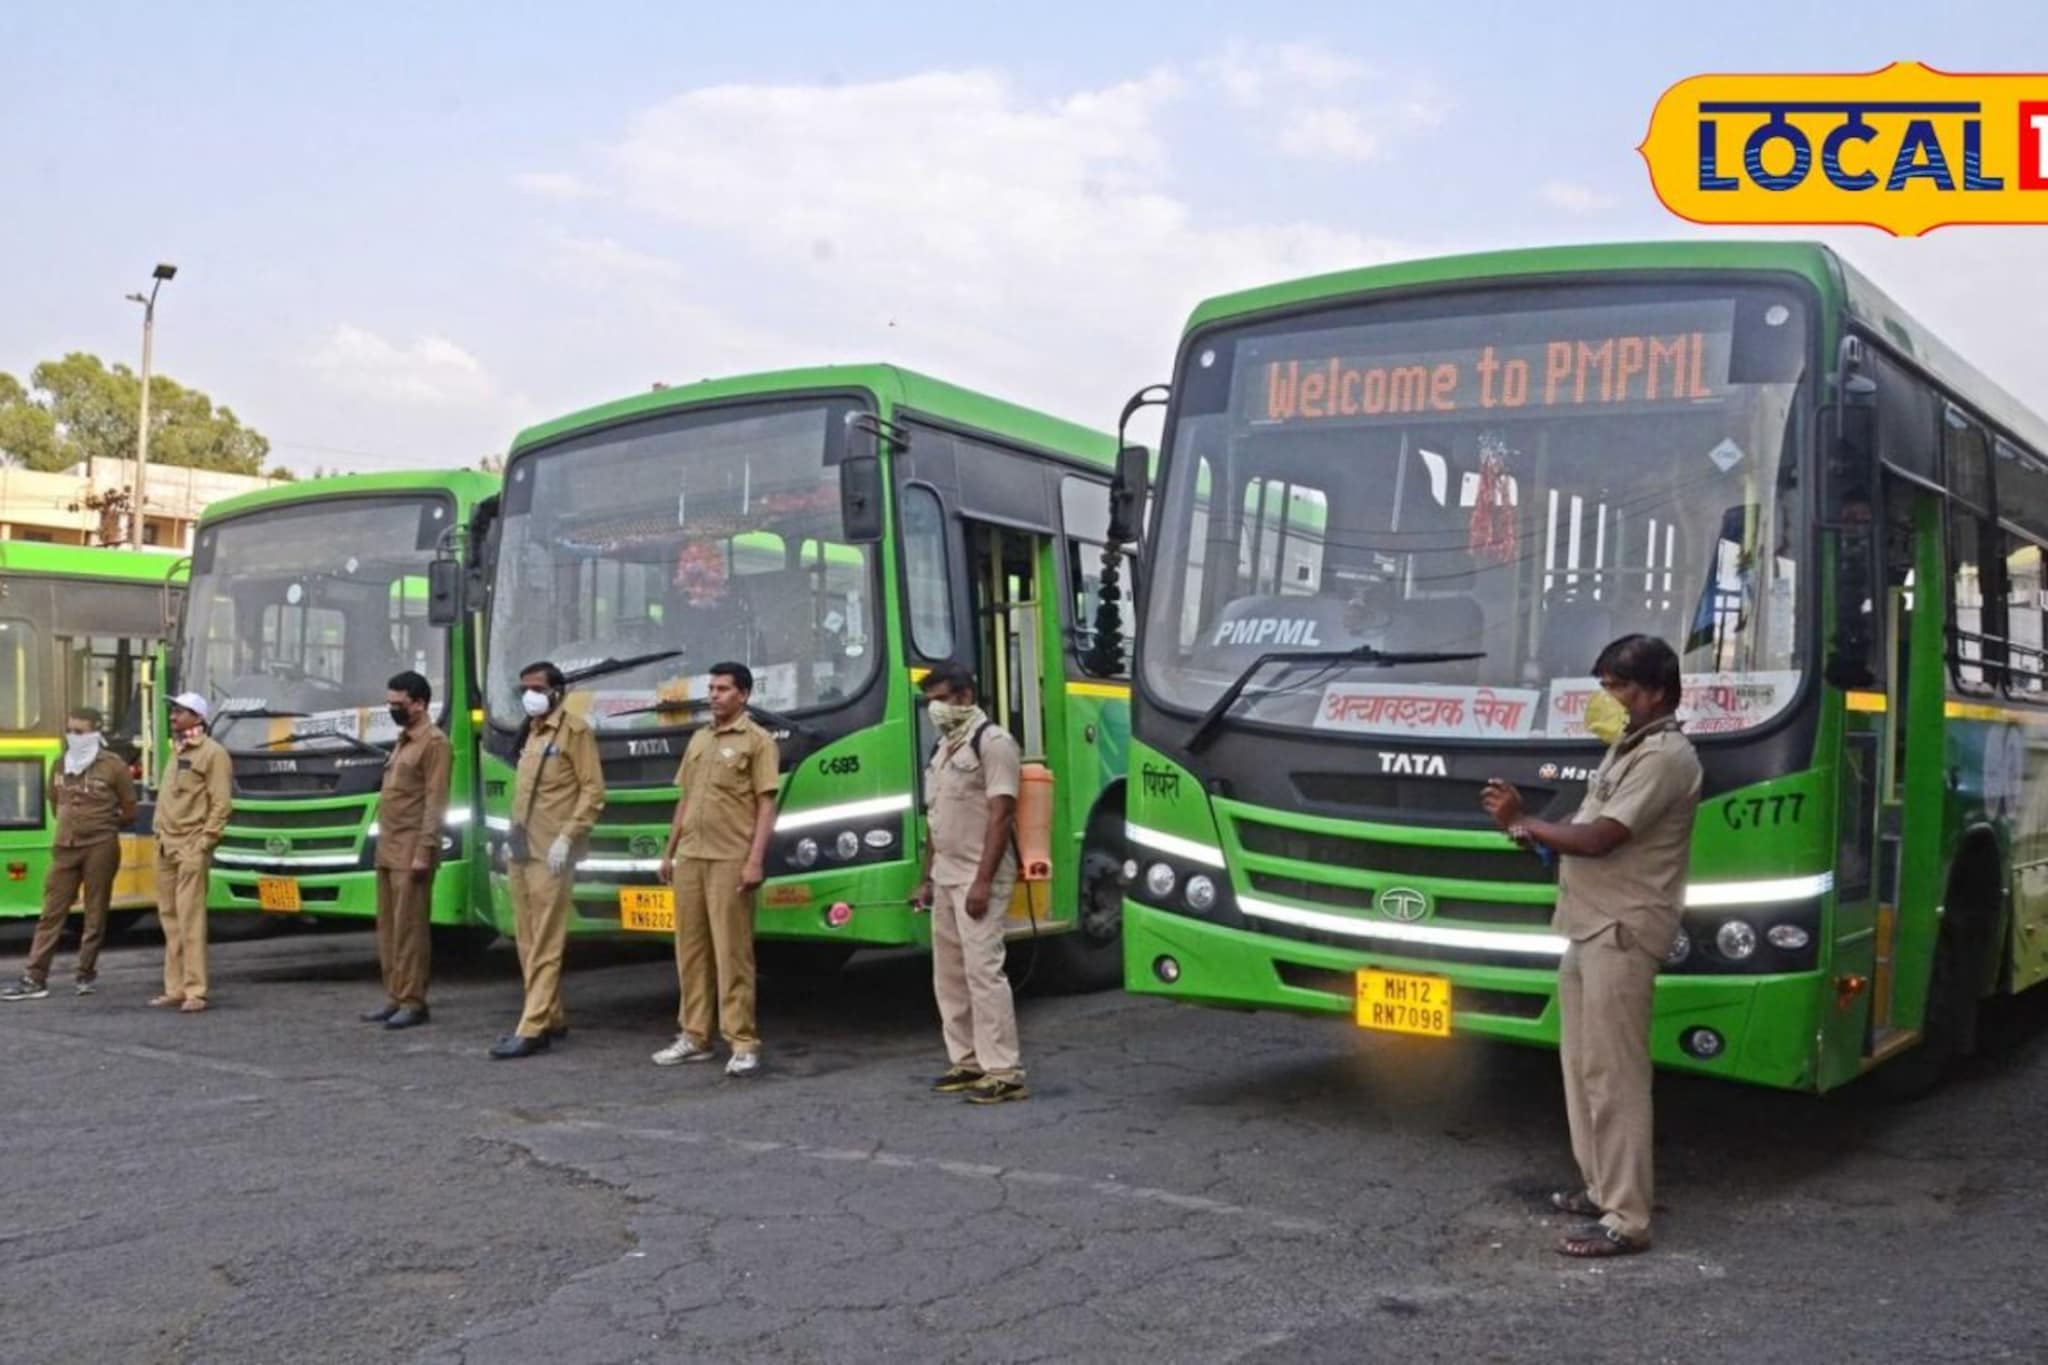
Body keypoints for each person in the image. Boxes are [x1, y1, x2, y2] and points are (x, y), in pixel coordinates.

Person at [1481, 634, 1701, 1258]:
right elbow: (1576, 834)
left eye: (1622, 688)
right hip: (1587, 922)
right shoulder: (1626, 751)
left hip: (1623, 929)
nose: (1611, 699)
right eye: (1606, 687)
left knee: (1616, 1077)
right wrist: (1530, 835)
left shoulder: (1665, 757)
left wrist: (1522, 822)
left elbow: (1601, 837)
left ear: (1656, 691)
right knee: (1582, 1069)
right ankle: (1600, 1186)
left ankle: (1627, 1217)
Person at [652, 661, 778, 1077]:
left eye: (723, 689)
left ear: (743, 695)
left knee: (732, 952)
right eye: (711, 688)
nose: (714, 695)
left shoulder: (757, 741)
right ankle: (695, 1035)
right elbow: (685, 800)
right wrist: (669, 853)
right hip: (691, 856)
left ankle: (742, 1041)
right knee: (690, 951)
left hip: (730, 858)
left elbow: (765, 804)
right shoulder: (700, 739)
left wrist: (755, 860)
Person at [913, 661, 1028, 1105]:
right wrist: (925, 879)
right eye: (930, 702)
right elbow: (935, 820)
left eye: (941, 699)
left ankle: (1005, 1071)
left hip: (978, 876)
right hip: (946, 877)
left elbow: (1001, 816)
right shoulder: (942, 749)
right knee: (950, 976)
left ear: (964, 696)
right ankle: (967, 1061)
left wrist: (982, 882)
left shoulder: (993, 742)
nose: (935, 709)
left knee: (983, 973)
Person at [491, 662, 604, 1059]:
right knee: (524, 939)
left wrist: (567, 837)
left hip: (553, 854)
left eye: (536, 688)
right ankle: (552, 1016)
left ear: (557, 691)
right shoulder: (530, 733)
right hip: (522, 849)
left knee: (545, 941)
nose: (529, 695)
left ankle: (533, 1025)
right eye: (523, 688)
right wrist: (510, 838)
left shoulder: (574, 732)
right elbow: (524, 794)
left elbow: (593, 792)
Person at [1, 707, 138, 1001]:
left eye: (80, 731)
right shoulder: (61, 765)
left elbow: (129, 809)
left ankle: (85, 974)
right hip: (65, 847)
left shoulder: (113, 766)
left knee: (95, 912)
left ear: (95, 731)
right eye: (70, 731)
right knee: (51, 913)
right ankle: (34, 977)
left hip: (100, 845)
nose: (73, 737)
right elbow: (54, 801)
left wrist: (102, 823)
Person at [361, 670, 451, 1030]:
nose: (393, 709)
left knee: (411, 931)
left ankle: (413, 1000)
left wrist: (425, 850)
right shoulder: (404, 740)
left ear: (419, 703)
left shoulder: (434, 743)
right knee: (388, 929)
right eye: (390, 703)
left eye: (398, 704)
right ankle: (395, 995)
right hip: (389, 848)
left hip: (412, 851)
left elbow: (435, 801)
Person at [155, 692, 232, 1014]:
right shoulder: (177, 749)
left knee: (190, 919)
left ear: (197, 717)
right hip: (165, 844)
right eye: (172, 711)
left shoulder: (213, 754)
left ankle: (195, 990)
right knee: (169, 919)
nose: (173, 717)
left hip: (190, 844)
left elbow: (221, 803)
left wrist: (204, 842)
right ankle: (174, 988)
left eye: (180, 712)